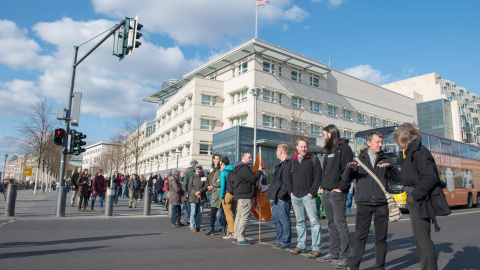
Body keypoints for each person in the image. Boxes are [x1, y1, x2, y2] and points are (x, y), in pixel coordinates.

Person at [342, 131, 399, 270]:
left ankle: (379, 267)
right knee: (360, 237)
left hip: (381, 203)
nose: (380, 144)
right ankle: (353, 266)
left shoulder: (386, 159)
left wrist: (390, 168)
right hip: (364, 203)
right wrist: (349, 169)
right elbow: (345, 181)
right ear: (368, 143)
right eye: (377, 142)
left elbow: (397, 178)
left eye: (381, 142)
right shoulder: (358, 160)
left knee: (381, 238)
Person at [394, 123, 439, 270]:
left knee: (423, 240)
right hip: (416, 199)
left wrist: (414, 197)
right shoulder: (412, 152)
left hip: (419, 200)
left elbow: (430, 177)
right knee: (420, 240)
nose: (397, 143)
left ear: (403, 138)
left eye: (397, 139)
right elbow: (407, 176)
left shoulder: (419, 152)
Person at [318, 125, 353, 268]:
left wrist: (341, 188)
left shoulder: (344, 148)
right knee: (331, 224)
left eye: (324, 134)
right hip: (326, 191)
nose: (323, 136)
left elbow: (348, 170)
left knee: (340, 224)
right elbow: (325, 170)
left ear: (331, 134)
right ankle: (333, 252)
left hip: (337, 193)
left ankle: (345, 256)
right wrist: (322, 186)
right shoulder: (329, 150)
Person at [287, 138, 322, 257]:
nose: (303, 149)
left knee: (314, 222)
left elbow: (318, 177)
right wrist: (291, 192)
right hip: (295, 196)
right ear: (297, 147)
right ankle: (301, 246)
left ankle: (316, 248)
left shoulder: (313, 159)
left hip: (309, 196)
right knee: (299, 222)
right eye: (301, 146)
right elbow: (288, 178)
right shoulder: (292, 161)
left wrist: (312, 192)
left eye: (305, 146)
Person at [232, 151, 263, 246]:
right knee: (244, 217)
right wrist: (259, 172)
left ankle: (236, 236)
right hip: (245, 195)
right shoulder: (244, 168)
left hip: (241, 195)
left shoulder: (238, 168)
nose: (251, 159)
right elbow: (252, 179)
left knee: (239, 217)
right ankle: (240, 237)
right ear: (243, 157)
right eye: (249, 157)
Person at [268, 144, 293, 250]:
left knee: (284, 219)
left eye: (277, 151)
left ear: (281, 151)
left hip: (283, 197)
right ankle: (280, 240)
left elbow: (286, 182)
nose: (276, 153)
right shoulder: (282, 164)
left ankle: (285, 241)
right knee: (276, 218)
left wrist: (282, 195)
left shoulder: (288, 164)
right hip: (277, 197)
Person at [204, 155, 226, 236]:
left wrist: (216, 183)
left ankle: (219, 227)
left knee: (220, 212)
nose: (218, 160)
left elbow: (222, 182)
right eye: (216, 158)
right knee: (214, 211)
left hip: (218, 192)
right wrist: (208, 186)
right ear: (213, 160)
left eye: (219, 159)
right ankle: (212, 228)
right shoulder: (213, 170)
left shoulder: (220, 171)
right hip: (212, 192)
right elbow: (211, 180)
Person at [188, 164, 208, 232]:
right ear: (195, 170)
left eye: (199, 169)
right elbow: (190, 186)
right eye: (197, 169)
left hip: (201, 196)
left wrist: (200, 192)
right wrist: (196, 192)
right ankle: (192, 226)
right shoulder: (192, 177)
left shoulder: (204, 177)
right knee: (193, 212)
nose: (198, 170)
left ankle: (198, 226)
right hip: (193, 197)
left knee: (200, 212)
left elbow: (206, 186)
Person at [220, 157, 235, 239]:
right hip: (235, 194)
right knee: (234, 213)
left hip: (227, 194)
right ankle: (229, 232)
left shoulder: (223, 172)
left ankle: (232, 232)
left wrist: (221, 196)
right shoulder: (234, 170)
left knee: (228, 215)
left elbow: (223, 186)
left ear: (222, 163)